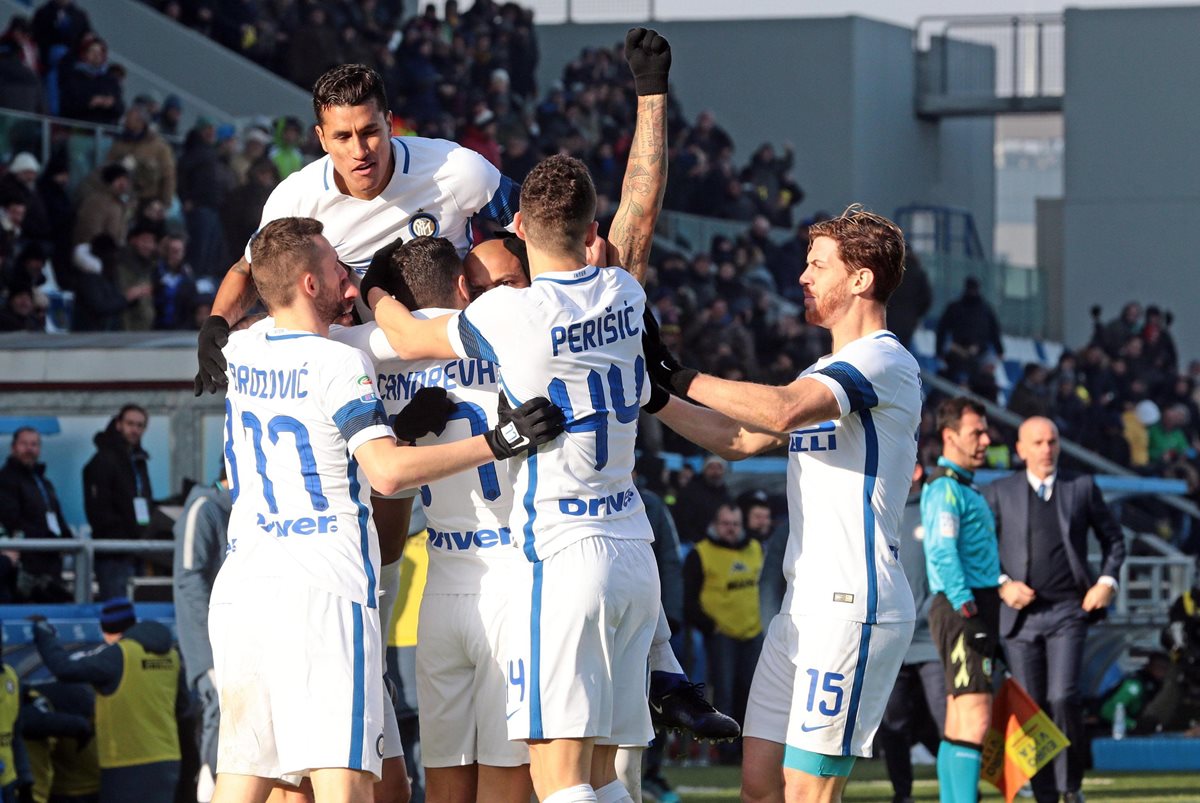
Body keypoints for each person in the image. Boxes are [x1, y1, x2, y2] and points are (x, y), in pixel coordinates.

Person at [207, 216, 562, 803]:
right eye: (337, 269)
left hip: (244, 584)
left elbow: (266, 320)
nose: (349, 281)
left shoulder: (242, 347)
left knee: (245, 779)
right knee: (344, 784)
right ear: (310, 283)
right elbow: (387, 471)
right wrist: (498, 441)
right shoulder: (340, 363)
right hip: (321, 588)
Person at [643, 205, 921, 803]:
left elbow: (781, 411)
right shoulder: (826, 370)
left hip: (853, 603)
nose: (803, 276)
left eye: (817, 264)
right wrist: (651, 393)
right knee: (760, 788)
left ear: (861, 279)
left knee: (807, 793)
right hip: (801, 608)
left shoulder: (884, 359)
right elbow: (738, 439)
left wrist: (679, 374)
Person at [192, 62, 522, 395]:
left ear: (390, 123)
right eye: (343, 137)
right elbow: (251, 270)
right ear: (321, 138)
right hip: (371, 368)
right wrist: (216, 324)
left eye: (369, 132)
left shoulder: (453, 168)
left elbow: (537, 230)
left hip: (463, 361)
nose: (359, 151)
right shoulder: (296, 198)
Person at [983, 416, 1126, 803]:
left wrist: (1106, 582)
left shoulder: (1080, 487)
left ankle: (1069, 786)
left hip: (1068, 612)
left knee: (1063, 697)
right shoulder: (999, 491)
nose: (1047, 449)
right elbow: (979, 549)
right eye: (1039, 442)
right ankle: (1044, 790)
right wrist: (1002, 584)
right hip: (1020, 618)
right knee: (1031, 705)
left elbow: (1114, 540)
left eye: (1052, 441)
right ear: (1021, 449)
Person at [920, 397, 1001, 803]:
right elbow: (941, 552)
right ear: (949, 436)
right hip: (963, 608)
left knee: (958, 716)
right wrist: (970, 612)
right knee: (975, 717)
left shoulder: (962, 486)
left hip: (968, 604)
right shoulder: (945, 489)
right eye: (976, 432)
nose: (986, 439)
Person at [31, 598, 186, 803]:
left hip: (127, 763)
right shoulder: (171, 655)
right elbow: (184, 706)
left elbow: (65, 669)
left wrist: (44, 634)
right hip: (168, 759)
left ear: (106, 631)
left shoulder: (118, 654)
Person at [878, 464, 946, 803]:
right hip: (890, 635)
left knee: (945, 718)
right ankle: (901, 794)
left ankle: (959, 790)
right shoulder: (875, 507)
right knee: (893, 722)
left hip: (930, 637)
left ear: (916, 470)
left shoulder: (936, 508)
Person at [682, 503, 764, 765]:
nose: (731, 529)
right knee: (724, 695)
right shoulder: (701, 553)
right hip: (721, 635)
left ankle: (747, 751)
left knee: (751, 694)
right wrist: (710, 627)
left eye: (736, 524)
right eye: (726, 523)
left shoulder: (756, 549)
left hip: (753, 632)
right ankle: (726, 753)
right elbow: (689, 599)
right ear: (716, 525)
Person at [172, 467, 232, 803]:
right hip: (210, 642)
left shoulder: (243, 508)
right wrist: (208, 643)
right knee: (218, 714)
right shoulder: (203, 507)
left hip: (234, 639)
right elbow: (188, 579)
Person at [82, 404, 152, 601]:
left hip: (138, 550)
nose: (135, 429)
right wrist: (127, 535)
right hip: (114, 553)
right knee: (118, 614)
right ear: (119, 424)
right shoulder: (102, 460)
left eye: (140, 425)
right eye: (130, 423)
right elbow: (98, 511)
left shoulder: (138, 460)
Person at [0, 426, 72, 602]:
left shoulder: (44, 482)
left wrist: (66, 539)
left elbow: (56, 515)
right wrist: (46, 539)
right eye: (24, 444)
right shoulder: (6, 479)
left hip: (51, 562)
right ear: (13, 447)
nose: (29, 449)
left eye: (34, 444)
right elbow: (11, 519)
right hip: (27, 564)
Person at [935, 277, 1004, 385]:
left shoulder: (982, 309)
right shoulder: (984, 309)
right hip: (961, 351)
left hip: (977, 352)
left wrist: (999, 350)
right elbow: (942, 330)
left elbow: (994, 331)